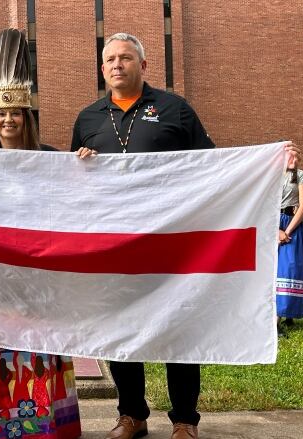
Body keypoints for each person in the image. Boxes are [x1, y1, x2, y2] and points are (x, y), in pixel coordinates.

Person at [70, 32, 213, 439]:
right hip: (115, 244)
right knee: (122, 328)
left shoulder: (175, 109)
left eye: (126, 58)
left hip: (171, 242)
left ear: (143, 65)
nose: (118, 65)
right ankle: (132, 414)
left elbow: (211, 163)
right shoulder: (88, 117)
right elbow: (71, 185)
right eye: (110, 59)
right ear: (102, 69)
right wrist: (79, 166)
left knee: (176, 326)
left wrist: (270, 163)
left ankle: (185, 419)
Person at [0, 28, 82, 439]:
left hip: (39, 272)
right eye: (0, 114)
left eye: (15, 113)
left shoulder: (50, 159)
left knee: (39, 346)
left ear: (26, 116)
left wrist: (86, 164)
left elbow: (75, 203)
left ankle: (46, 427)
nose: (7, 119)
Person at [275, 156, 303, 336]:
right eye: (290, 155)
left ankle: (288, 312)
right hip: (272, 222)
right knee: (274, 271)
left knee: (291, 268)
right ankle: (275, 319)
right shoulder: (270, 175)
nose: (295, 159)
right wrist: (276, 232)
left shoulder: (301, 175)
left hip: (293, 224)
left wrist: (286, 231)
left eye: (297, 156)